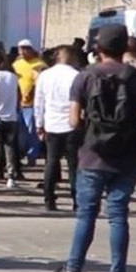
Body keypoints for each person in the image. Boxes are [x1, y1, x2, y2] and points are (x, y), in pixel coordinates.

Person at [46, 23, 136, 272]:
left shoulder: (85, 76)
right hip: (127, 157)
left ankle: (74, 269)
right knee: (118, 216)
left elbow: (72, 119)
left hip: (92, 155)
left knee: (86, 214)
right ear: (125, 46)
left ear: (98, 48)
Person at [36, 45, 82, 211]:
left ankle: (49, 199)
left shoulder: (45, 75)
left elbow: (39, 101)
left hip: (52, 124)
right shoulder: (76, 75)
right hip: (72, 124)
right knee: (73, 164)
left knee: (51, 162)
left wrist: (38, 123)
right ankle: (76, 200)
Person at [0, 49, 22, 187]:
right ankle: (11, 177)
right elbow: (18, 95)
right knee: (10, 148)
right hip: (11, 117)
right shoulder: (13, 77)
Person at [13, 39, 46, 166]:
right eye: (21, 48)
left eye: (26, 48)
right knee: (21, 132)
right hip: (18, 103)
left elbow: (39, 84)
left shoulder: (39, 64)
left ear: (31, 49)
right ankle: (21, 154)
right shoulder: (16, 64)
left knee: (32, 130)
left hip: (32, 104)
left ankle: (32, 156)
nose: (23, 50)